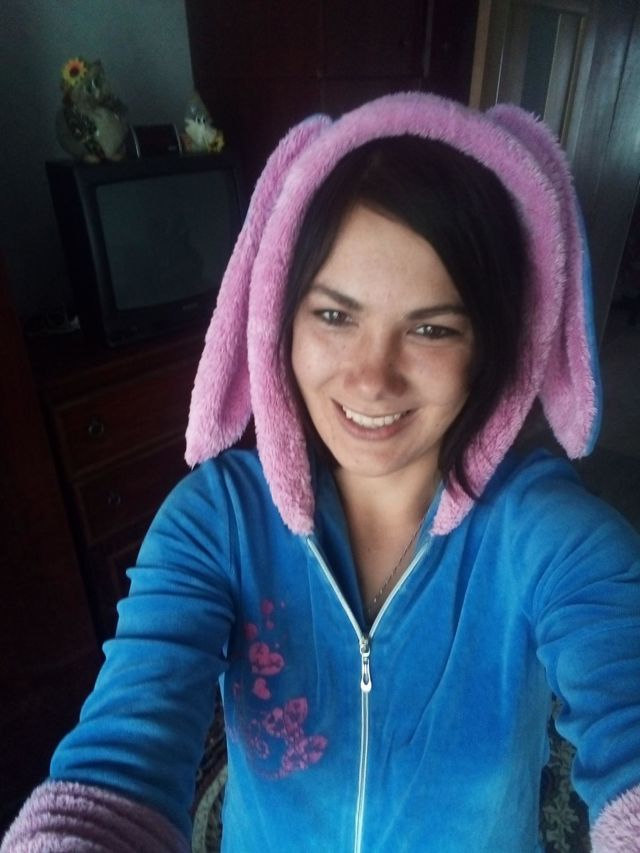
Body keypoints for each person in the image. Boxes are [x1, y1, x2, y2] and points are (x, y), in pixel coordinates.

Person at [3, 93, 639, 852]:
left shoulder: (553, 536)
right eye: (335, 315)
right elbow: (118, 762)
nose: (372, 378)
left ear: (493, 346)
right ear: (278, 319)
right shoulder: (215, 522)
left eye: (431, 328)